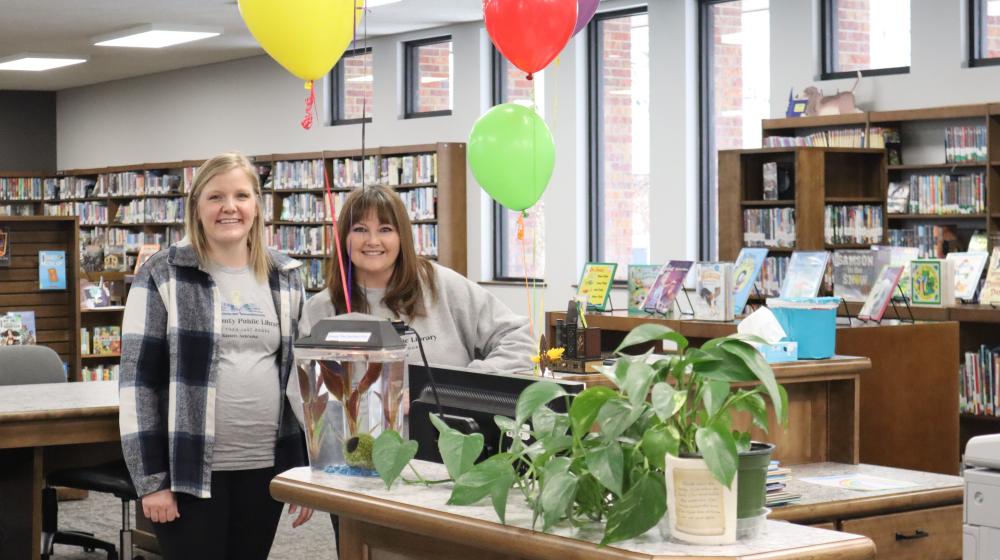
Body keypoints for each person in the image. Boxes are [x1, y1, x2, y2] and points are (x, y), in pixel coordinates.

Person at [119, 152, 313, 560]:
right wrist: (152, 481)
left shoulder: (287, 276)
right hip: (188, 469)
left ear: (257, 206)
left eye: (242, 195)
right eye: (215, 197)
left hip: (265, 465)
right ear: (196, 206)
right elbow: (138, 384)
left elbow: (303, 382)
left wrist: (306, 469)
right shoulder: (163, 273)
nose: (230, 207)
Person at [297, 184, 535, 368]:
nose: (372, 241)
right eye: (359, 229)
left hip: (443, 430)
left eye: (385, 229)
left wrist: (466, 384)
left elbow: (519, 338)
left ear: (403, 238)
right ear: (343, 239)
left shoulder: (442, 285)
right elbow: (305, 392)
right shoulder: (320, 309)